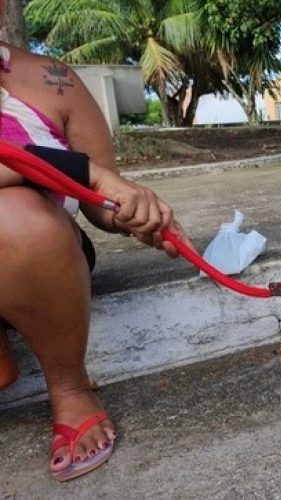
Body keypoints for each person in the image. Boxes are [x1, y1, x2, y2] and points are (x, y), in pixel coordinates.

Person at [0, 14, 193, 481]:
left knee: (14, 215)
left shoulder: (57, 81)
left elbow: (101, 205)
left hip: (41, 258)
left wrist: (130, 212)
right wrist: (83, 172)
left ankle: (70, 387)